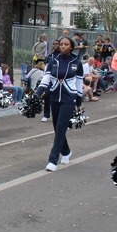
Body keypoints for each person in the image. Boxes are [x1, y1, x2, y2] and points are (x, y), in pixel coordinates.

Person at [35, 37, 83, 170]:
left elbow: (79, 83)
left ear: (71, 47)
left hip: (69, 99)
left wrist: (79, 102)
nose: (63, 46)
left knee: (61, 128)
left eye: (66, 44)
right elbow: (46, 79)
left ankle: (53, 160)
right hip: (54, 97)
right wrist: (36, 94)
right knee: (57, 128)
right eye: (61, 44)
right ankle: (66, 152)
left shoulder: (77, 63)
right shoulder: (53, 61)